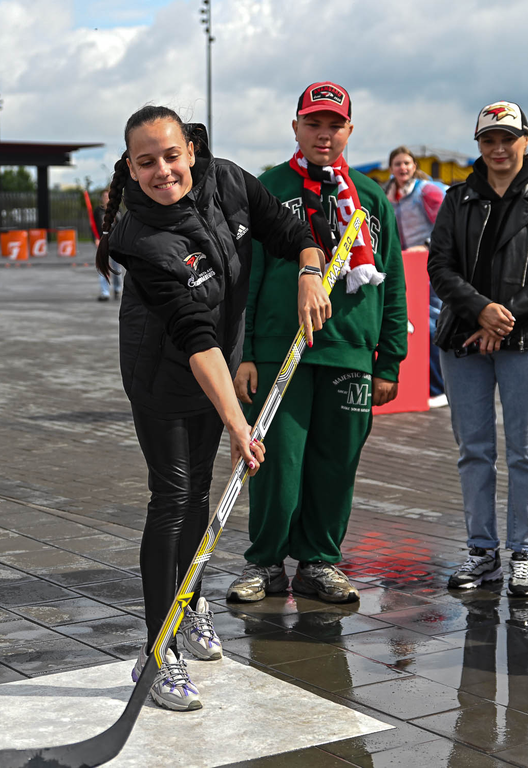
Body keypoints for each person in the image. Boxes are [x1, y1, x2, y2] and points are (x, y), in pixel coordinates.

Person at [99, 105, 331, 711]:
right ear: (130, 167)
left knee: (202, 494)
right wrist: (238, 421)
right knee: (173, 496)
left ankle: (193, 601)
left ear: (190, 151)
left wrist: (310, 266)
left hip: (216, 362)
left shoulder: (228, 180)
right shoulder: (139, 238)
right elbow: (193, 334)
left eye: (171, 155)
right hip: (165, 373)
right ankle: (157, 649)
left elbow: (289, 230)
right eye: (145, 162)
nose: (162, 171)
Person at [227, 81, 408, 606]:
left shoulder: (372, 198)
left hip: (350, 354)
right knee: (274, 464)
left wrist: (389, 359)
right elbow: (249, 276)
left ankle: (319, 563)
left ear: (350, 130)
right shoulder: (268, 187)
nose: (323, 135)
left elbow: (393, 282)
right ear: (296, 128)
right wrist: (245, 355)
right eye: (313, 124)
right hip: (281, 355)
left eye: (334, 125)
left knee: (334, 466)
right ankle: (264, 563)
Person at [428, 101, 528, 598]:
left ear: (525, 139)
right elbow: (439, 267)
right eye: (489, 140)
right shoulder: (457, 198)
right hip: (464, 338)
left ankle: (524, 553)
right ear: (478, 145)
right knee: (474, 451)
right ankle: (482, 552)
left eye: (508, 138)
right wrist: (482, 310)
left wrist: (504, 318)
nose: (499, 149)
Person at [385, 146, 448, 406]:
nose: (403, 168)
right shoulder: (390, 195)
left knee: (432, 323)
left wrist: (426, 243)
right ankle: (427, 385)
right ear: (392, 168)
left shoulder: (428, 190)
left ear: (414, 165)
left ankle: (440, 386)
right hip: (406, 268)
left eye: (407, 163)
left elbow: (449, 222)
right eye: (398, 164)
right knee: (411, 324)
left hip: (430, 265)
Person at [94, 188, 123, 301]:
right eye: (104, 197)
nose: (106, 199)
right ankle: (105, 292)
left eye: (108, 196)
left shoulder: (117, 210)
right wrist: (96, 238)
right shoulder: (98, 211)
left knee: (116, 267)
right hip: (102, 242)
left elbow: (121, 227)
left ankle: (117, 289)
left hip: (115, 242)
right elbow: (93, 226)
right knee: (102, 267)